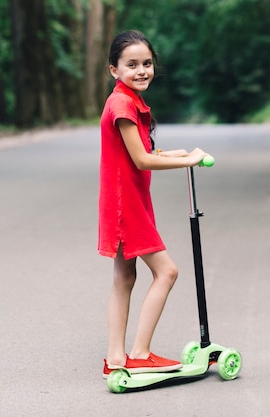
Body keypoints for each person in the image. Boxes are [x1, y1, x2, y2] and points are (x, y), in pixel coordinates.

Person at [98, 30, 209, 378]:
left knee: (124, 277)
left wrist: (174, 153)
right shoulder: (122, 104)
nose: (141, 70)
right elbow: (142, 161)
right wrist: (188, 162)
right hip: (125, 204)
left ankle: (116, 357)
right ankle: (140, 353)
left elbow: (140, 155)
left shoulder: (128, 100)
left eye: (146, 63)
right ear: (114, 70)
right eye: (131, 65)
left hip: (123, 201)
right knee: (167, 271)